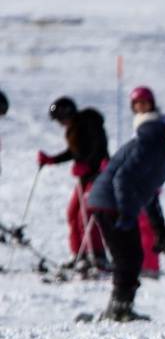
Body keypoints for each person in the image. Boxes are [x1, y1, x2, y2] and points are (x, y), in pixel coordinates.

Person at [86, 115, 165, 321]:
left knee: (133, 256)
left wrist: (159, 228)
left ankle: (121, 307)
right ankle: (118, 310)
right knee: (127, 257)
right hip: (109, 202)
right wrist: (126, 213)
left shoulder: (160, 152)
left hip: (116, 203)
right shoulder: (151, 146)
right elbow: (123, 178)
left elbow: (149, 193)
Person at [39, 97, 110, 269]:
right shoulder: (73, 128)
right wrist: (52, 160)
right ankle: (80, 254)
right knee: (73, 213)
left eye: (60, 119)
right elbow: (75, 152)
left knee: (85, 216)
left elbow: (99, 147)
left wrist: (88, 164)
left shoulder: (89, 122)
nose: (60, 123)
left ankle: (97, 255)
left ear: (68, 113)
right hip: (85, 177)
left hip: (98, 176)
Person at [128, 86, 165, 277]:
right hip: (142, 178)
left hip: (147, 178)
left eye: (144, 103)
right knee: (141, 223)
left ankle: (150, 265)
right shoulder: (142, 121)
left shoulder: (152, 123)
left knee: (146, 224)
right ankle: (144, 263)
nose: (141, 107)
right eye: (137, 104)